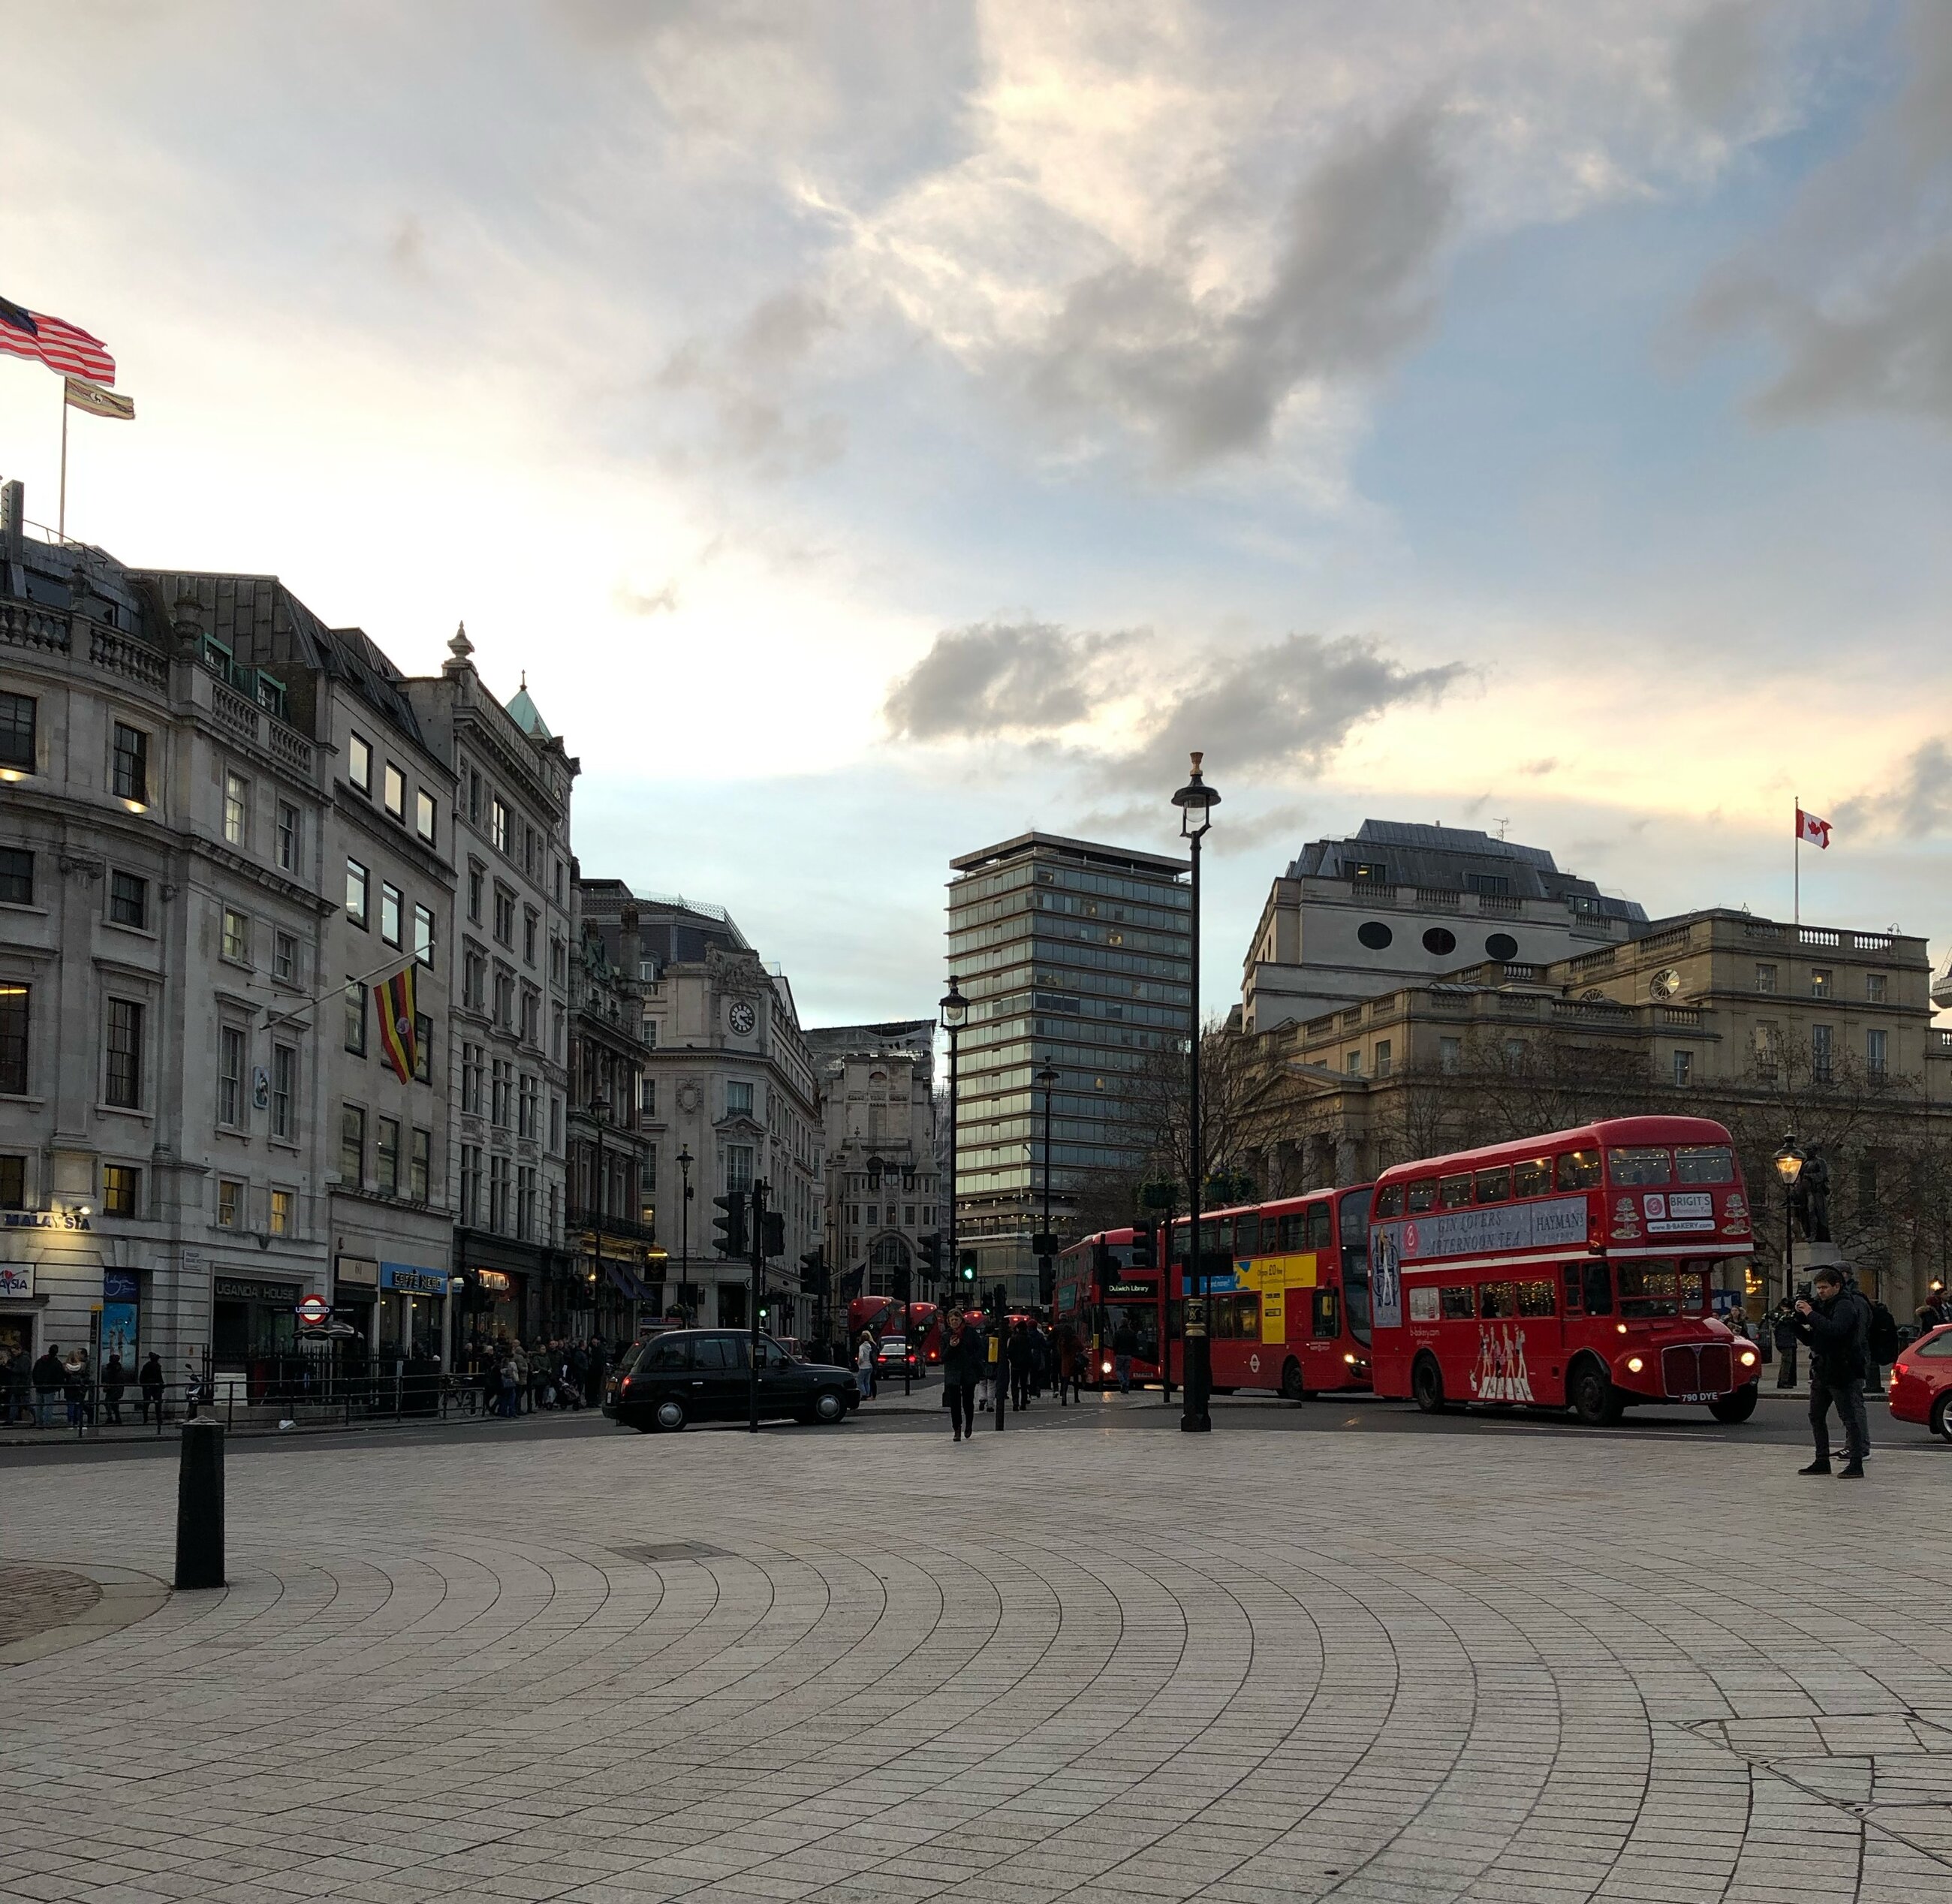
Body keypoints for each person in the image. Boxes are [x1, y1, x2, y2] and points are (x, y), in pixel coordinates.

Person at [1790, 1266, 1871, 1478]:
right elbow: (1814, 1339)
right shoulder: (1822, 1306)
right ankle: (1821, 1459)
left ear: (1837, 1286)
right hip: (1823, 1368)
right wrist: (1794, 1325)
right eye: (1818, 1288)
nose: (1821, 1292)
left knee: (1849, 1416)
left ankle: (1856, 1462)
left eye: (1824, 1287)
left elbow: (1835, 1330)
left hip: (1842, 1368)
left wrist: (1810, 1313)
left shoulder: (1845, 1305)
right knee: (1816, 1415)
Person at [941, 1309, 981, 1442]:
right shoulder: (946, 1335)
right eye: (951, 1320)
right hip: (953, 1373)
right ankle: (957, 1429)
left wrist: (973, 1360)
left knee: (968, 1401)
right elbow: (944, 1357)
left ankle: (969, 1424)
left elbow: (979, 1348)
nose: (954, 1322)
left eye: (956, 1319)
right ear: (948, 1322)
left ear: (961, 1320)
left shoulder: (970, 1333)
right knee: (955, 1402)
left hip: (968, 1371)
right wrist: (951, 1347)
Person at [32, 1343, 64, 1429]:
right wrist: (58, 1387)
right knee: (48, 1407)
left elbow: (34, 1373)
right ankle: (47, 1423)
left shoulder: (40, 1361)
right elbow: (60, 1376)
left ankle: (39, 1423)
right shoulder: (57, 1363)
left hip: (39, 1387)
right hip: (50, 1388)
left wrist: (36, 1384)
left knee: (39, 1406)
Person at [1005, 1321, 1034, 1411]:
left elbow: (1010, 1352)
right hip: (1025, 1364)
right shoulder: (1028, 1338)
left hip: (1015, 1365)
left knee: (1014, 1384)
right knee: (1024, 1384)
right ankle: (1023, 1403)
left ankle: (1015, 1403)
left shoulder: (1014, 1338)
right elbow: (1030, 1351)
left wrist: (1012, 1361)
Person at [1112, 1315, 1138, 1395]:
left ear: (1121, 1323)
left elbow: (1115, 1344)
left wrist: (1115, 1352)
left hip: (1120, 1354)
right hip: (1129, 1355)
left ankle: (1122, 1381)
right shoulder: (1132, 1333)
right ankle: (1126, 1387)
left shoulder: (1118, 1333)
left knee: (1118, 1369)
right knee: (1126, 1371)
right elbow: (1135, 1344)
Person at [138, 1351, 165, 1423]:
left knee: (147, 1402)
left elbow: (142, 1377)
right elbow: (160, 1377)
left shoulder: (147, 1366)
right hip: (154, 1386)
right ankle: (158, 1419)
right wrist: (162, 1385)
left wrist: (144, 1385)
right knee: (157, 1403)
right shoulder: (156, 1366)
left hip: (149, 1386)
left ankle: (146, 1419)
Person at [101, 1351, 127, 1426]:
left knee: (108, 1402)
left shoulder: (113, 1369)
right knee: (113, 1403)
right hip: (117, 1389)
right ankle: (117, 1418)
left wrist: (108, 1386)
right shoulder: (119, 1368)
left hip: (114, 1388)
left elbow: (112, 1379)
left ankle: (111, 1417)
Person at [1056, 1325, 1080, 1405]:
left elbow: (1058, 1350)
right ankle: (1076, 1397)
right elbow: (1081, 1348)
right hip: (1074, 1361)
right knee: (1076, 1380)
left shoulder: (1062, 1340)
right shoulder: (1075, 1339)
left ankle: (1064, 1398)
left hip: (1065, 1362)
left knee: (1065, 1381)